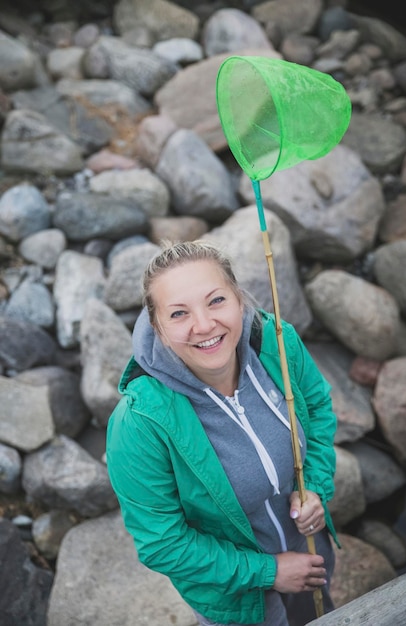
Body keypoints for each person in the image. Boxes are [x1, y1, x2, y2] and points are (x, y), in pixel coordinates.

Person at [106, 240, 339, 626]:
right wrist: (270, 572)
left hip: (310, 553)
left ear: (239, 299)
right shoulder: (140, 422)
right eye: (179, 313)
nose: (204, 325)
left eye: (216, 301)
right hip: (236, 600)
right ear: (158, 327)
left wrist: (314, 487)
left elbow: (317, 409)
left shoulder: (277, 344)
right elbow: (163, 543)